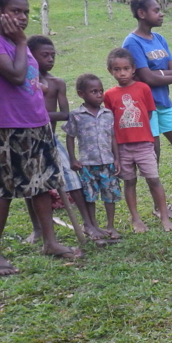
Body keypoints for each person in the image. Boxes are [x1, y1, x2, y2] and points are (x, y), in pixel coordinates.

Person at [0, 0, 80, 275]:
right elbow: (15, 76)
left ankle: (50, 242)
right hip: (9, 127)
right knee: (3, 190)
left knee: (42, 183)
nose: (23, 17)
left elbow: (26, 79)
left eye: (26, 12)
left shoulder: (18, 42)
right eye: (16, 11)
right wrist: (20, 42)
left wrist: (38, 88)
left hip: (37, 124)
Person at [25, 35, 98, 241]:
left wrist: (39, 116)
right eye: (45, 55)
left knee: (72, 177)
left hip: (50, 137)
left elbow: (65, 114)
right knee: (31, 186)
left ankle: (88, 223)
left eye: (53, 55)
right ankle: (38, 229)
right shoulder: (24, 82)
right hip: (28, 140)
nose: (50, 59)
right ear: (31, 56)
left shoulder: (57, 83)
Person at [122, 0, 172, 203]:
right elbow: (147, 78)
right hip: (145, 107)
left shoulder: (159, 39)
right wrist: (167, 76)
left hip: (164, 103)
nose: (161, 14)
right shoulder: (132, 43)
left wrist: (160, 75)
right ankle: (158, 205)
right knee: (153, 156)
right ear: (142, 13)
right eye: (156, 10)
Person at [103, 47, 172, 233]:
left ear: (133, 69)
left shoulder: (143, 88)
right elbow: (110, 122)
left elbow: (149, 113)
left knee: (154, 179)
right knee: (129, 182)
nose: (122, 73)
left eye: (126, 68)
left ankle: (164, 216)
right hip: (123, 147)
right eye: (117, 69)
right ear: (110, 71)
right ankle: (135, 218)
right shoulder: (109, 95)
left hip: (144, 144)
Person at [64, 74, 122, 240]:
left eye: (101, 91)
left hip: (108, 162)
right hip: (87, 164)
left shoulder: (108, 114)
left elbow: (113, 137)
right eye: (94, 91)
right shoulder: (76, 115)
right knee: (90, 196)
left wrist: (116, 158)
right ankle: (93, 225)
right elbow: (70, 136)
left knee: (110, 195)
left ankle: (110, 226)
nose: (99, 95)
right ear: (81, 94)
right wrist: (72, 158)